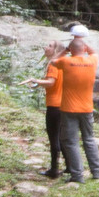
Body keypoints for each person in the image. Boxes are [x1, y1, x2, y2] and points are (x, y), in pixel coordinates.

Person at [52, 27, 99, 183]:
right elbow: (94, 52)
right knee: (89, 139)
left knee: (71, 141)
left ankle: (77, 175)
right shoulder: (92, 61)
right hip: (87, 109)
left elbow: (52, 61)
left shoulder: (66, 61)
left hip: (68, 109)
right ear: (85, 49)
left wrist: (66, 50)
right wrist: (84, 44)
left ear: (71, 50)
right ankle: (97, 172)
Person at [21, 40, 67, 178]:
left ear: (56, 50)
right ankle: (70, 166)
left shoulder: (53, 64)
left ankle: (54, 170)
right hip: (64, 104)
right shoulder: (63, 62)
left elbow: (51, 82)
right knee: (61, 137)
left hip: (54, 105)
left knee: (54, 138)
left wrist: (35, 80)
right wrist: (38, 84)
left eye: (49, 46)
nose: (45, 47)